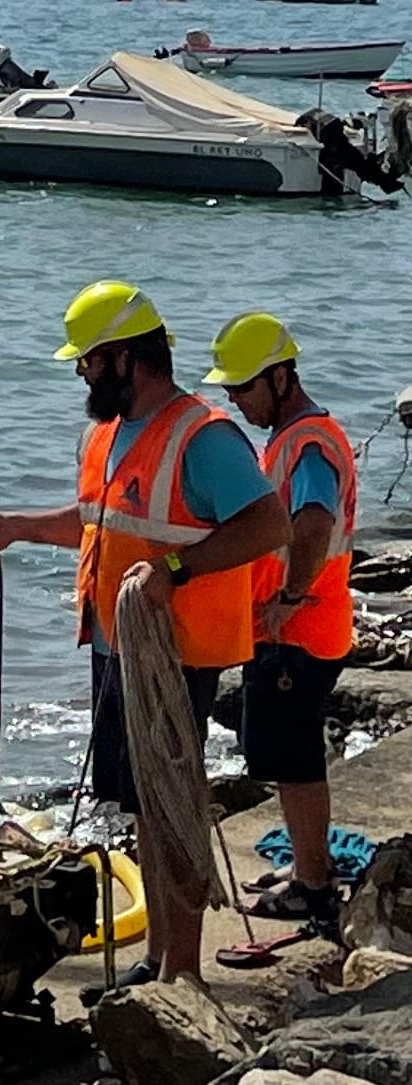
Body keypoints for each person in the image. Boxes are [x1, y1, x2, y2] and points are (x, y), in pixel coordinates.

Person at [0, 281, 285, 982]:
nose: (81, 371)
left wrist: (176, 568)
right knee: (142, 807)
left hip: (175, 657)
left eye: (89, 359)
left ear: (129, 358)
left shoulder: (204, 437)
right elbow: (97, 524)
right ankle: (160, 958)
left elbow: (268, 524)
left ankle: (184, 976)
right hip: (115, 651)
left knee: (172, 813)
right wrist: (17, 528)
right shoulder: (107, 434)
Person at [204, 309, 357, 940]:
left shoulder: (308, 443)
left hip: (300, 632)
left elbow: (315, 520)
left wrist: (290, 597)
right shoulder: (297, 437)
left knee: (295, 765)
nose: (236, 401)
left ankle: (313, 887)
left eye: (242, 388)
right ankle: (308, 867)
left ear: (281, 376)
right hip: (300, 628)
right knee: (290, 758)